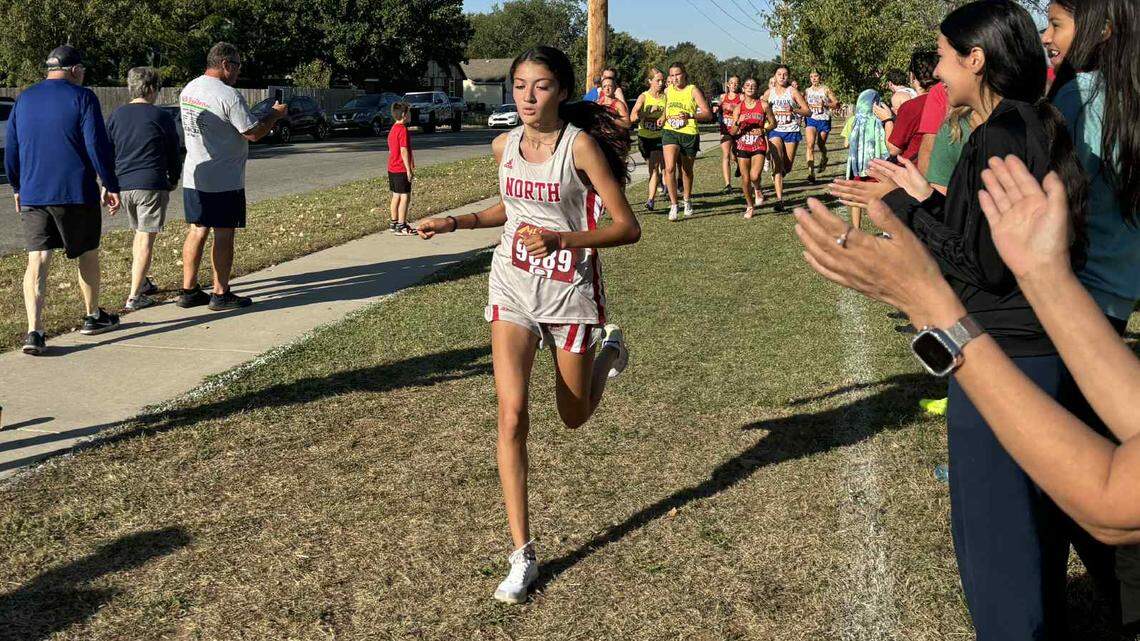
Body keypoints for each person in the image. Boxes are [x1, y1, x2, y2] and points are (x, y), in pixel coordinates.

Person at [826, 2, 1110, 637]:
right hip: (1034, 350)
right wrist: (924, 197)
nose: (935, 71)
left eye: (942, 57)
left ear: (975, 60)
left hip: (1005, 357)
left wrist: (902, 208)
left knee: (997, 540)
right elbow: (990, 237)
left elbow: (984, 264)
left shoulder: (1000, 134)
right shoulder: (1024, 122)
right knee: (1032, 532)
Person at [413, 46, 640, 605]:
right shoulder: (504, 145)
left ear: (561, 90)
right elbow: (509, 210)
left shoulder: (579, 147)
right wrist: (456, 221)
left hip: (568, 293)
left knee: (572, 417)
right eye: (519, 86)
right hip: (511, 286)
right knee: (511, 414)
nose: (527, 97)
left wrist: (563, 238)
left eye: (540, 86)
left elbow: (626, 226)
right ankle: (522, 554)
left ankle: (608, 355)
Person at [1046, 0, 1140, 628]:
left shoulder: (1077, 96)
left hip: (1074, 305)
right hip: (1117, 301)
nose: (1045, 35)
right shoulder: (1129, 93)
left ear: (1101, 28)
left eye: (1056, 23)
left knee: (1075, 475)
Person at [6, 45, 122, 355]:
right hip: (75, 191)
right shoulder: (83, 97)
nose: (83, 74)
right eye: (82, 70)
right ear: (74, 70)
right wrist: (110, 183)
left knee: (38, 258)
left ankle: (34, 331)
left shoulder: (24, 99)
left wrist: (17, 186)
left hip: (33, 192)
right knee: (86, 252)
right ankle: (93, 315)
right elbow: (96, 144)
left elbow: (12, 147)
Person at [176, 42, 287, 311]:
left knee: (197, 230)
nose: (238, 72)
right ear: (225, 64)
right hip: (223, 179)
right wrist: (274, 116)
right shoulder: (228, 94)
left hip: (194, 175)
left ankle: (188, 290)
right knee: (224, 234)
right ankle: (220, 293)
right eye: (236, 66)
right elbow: (252, 133)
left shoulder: (190, 88)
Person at [107, 66, 183, 311]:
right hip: (150, 184)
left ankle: (143, 281)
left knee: (138, 234)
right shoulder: (160, 116)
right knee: (145, 238)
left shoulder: (116, 115)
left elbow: (107, 152)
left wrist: (107, 183)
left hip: (124, 186)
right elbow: (173, 151)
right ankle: (134, 296)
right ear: (150, 88)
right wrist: (174, 178)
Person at [659, 61, 714, 221]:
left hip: (689, 133)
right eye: (672, 75)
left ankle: (687, 200)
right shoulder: (668, 90)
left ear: (684, 75)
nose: (675, 78)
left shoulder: (693, 90)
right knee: (669, 168)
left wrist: (690, 115)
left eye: (677, 74)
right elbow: (667, 108)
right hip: (670, 132)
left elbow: (708, 114)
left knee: (686, 171)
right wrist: (663, 117)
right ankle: (674, 205)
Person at [835, 90, 892, 229]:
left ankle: (856, 228)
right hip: (877, 165)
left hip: (858, 165)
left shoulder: (853, 120)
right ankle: (886, 229)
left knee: (856, 197)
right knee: (881, 197)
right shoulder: (880, 121)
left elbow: (846, 144)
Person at [766, 65, 811, 212]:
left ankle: (781, 171)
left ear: (788, 77)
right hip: (775, 131)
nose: (782, 77)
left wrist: (794, 110)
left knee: (788, 166)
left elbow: (808, 111)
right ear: (775, 76)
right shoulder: (769, 93)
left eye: (785, 74)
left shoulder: (793, 91)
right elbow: (760, 107)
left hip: (791, 131)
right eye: (779, 74)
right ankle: (780, 200)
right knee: (777, 164)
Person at [728, 77, 775, 218]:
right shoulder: (738, 108)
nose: (750, 87)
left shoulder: (764, 105)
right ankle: (749, 206)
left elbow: (773, 123)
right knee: (745, 178)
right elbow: (732, 132)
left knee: (755, 175)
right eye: (747, 85)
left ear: (757, 88)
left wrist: (764, 130)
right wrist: (738, 122)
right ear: (743, 88)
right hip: (742, 145)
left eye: (753, 85)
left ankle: (758, 189)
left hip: (758, 144)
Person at [886, 51, 940, 164]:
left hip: (914, 168)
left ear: (912, 76)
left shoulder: (912, 107)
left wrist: (887, 120)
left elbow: (893, 149)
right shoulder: (950, 100)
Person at [629, 67, 667, 210]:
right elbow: (633, 117)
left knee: (654, 167)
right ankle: (659, 181)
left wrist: (663, 117)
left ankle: (650, 200)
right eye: (658, 80)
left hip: (659, 137)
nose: (661, 83)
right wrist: (647, 112)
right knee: (651, 168)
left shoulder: (665, 97)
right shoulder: (643, 97)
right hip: (644, 138)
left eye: (662, 80)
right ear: (650, 81)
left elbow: (668, 112)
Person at [803, 71, 839, 183]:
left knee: (820, 144)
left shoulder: (826, 89)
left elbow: (836, 104)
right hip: (811, 119)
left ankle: (824, 157)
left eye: (816, 76)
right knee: (810, 145)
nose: (813, 78)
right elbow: (803, 104)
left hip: (824, 120)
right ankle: (811, 173)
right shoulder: (807, 91)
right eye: (811, 76)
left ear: (820, 77)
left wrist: (826, 104)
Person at [387, 101, 415, 235]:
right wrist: (408, 169)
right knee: (405, 197)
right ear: (404, 114)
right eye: (409, 112)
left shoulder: (393, 129)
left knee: (396, 195)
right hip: (401, 168)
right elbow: (403, 150)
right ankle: (401, 225)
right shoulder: (403, 130)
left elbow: (391, 148)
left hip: (392, 168)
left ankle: (394, 223)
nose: (410, 114)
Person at [716, 75, 743, 194]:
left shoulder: (741, 97)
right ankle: (728, 184)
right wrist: (717, 108)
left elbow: (745, 109)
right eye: (731, 83)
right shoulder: (723, 96)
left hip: (737, 130)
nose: (733, 85)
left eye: (736, 83)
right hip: (725, 129)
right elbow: (719, 107)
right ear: (728, 84)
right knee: (726, 155)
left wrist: (733, 108)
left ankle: (738, 165)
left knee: (734, 155)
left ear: (739, 85)